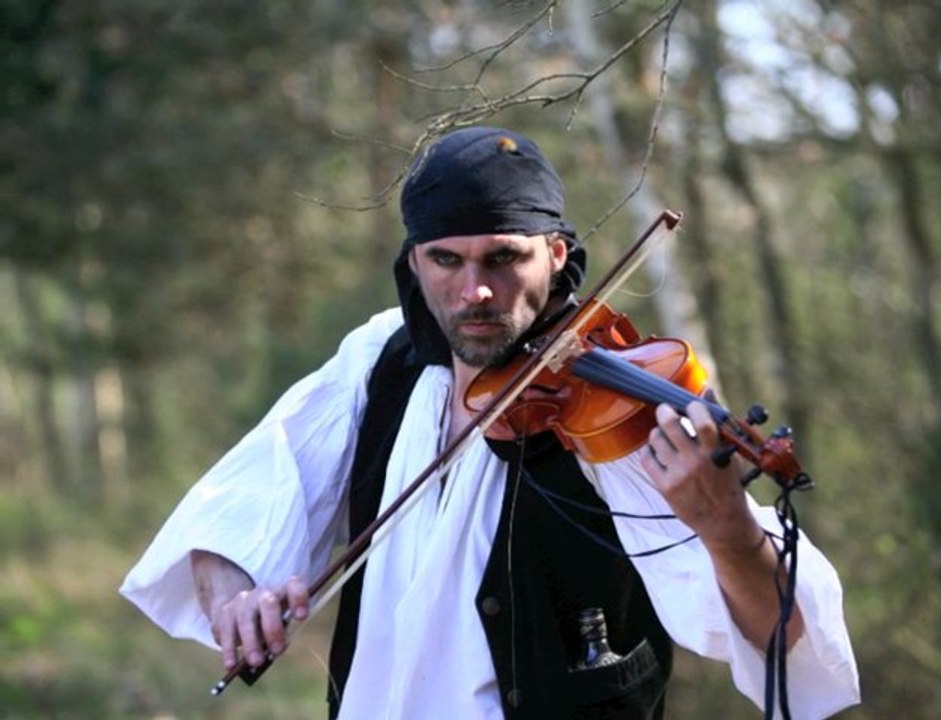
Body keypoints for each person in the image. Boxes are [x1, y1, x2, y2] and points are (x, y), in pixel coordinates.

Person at [121, 126, 860, 720]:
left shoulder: (613, 418)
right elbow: (237, 505)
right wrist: (236, 600)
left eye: (504, 258)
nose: (474, 290)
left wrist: (729, 530)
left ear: (557, 254)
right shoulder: (382, 357)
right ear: (413, 261)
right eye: (445, 259)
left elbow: (786, 643)